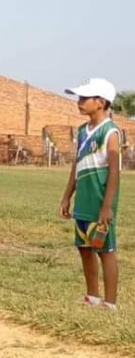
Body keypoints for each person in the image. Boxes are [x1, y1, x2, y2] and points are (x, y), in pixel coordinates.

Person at [59, 78, 122, 310]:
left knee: (105, 250)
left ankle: (110, 303)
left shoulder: (110, 132)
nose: (79, 102)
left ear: (101, 102)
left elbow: (114, 170)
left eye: (85, 98)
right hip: (83, 202)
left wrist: (107, 206)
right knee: (84, 248)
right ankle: (92, 296)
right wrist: (67, 195)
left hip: (100, 202)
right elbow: (77, 165)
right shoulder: (82, 131)